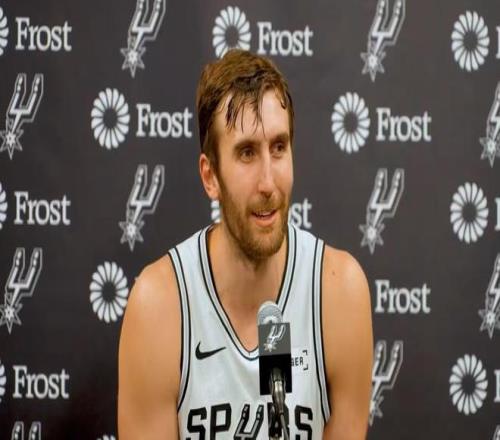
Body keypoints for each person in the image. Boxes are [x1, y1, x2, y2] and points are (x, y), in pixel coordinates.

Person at [118, 49, 373, 439]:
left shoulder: (339, 292)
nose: (268, 183)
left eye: (279, 147)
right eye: (247, 153)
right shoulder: (159, 306)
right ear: (210, 177)